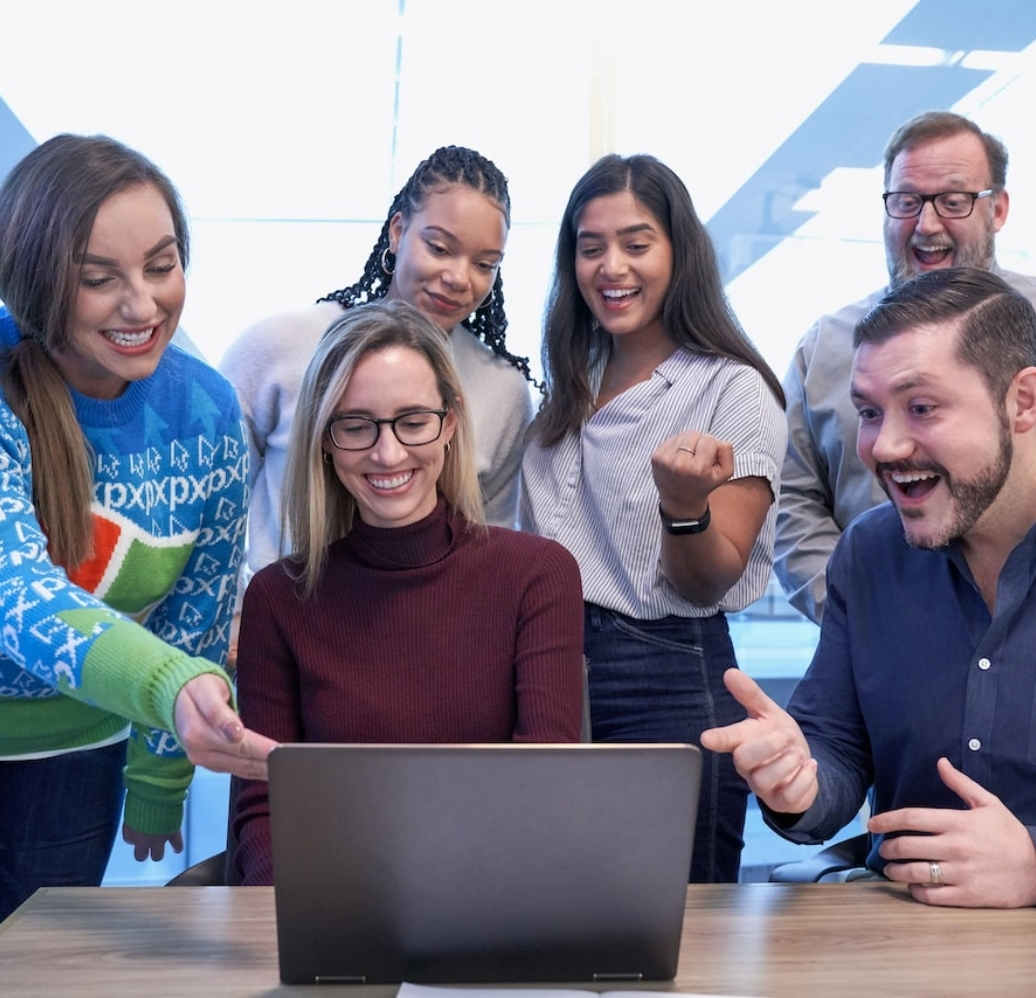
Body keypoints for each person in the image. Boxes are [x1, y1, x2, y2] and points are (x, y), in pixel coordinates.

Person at [0, 134, 275, 920]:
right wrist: (168, 687)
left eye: (162, 265)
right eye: (98, 279)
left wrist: (160, 773)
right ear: (36, 282)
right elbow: (16, 592)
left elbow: (200, 606)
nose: (143, 304)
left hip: (74, 763)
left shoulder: (207, 409)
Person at [704, 267, 1036, 908]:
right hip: (899, 931)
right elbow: (835, 749)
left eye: (921, 408)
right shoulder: (870, 551)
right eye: (868, 412)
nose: (882, 446)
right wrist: (798, 780)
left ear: (1023, 402)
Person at [230, 301, 583, 886]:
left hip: (492, 901)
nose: (387, 453)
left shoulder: (537, 576)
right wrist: (296, 921)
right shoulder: (278, 599)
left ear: (450, 422)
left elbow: (540, 786)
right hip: (332, 905)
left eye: (412, 421)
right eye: (355, 425)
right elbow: (263, 811)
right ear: (323, 437)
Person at [521, 154, 787, 883]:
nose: (612, 266)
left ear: (679, 253)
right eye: (590, 246)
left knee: (675, 929)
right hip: (550, 667)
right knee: (551, 913)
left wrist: (683, 507)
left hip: (668, 673)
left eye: (637, 243)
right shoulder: (566, 384)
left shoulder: (733, 391)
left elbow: (709, 582)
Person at [221, 145, 536, 596]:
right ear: (397, 231)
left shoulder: (502, 390)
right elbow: (211, 506)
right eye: (440, 247)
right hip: (280, 623)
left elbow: (486, 548)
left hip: (419, 640)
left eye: (485, 264)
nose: (459, 277)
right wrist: (234, 614)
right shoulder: (278, 347)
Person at [776, 111, 1036, 624]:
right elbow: (791, 501)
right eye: (907, 202)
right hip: (881, 653)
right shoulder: (826, 347)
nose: (927, 224)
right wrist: (860, 615)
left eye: (954, 201)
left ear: (998, 209)